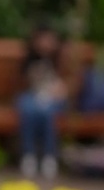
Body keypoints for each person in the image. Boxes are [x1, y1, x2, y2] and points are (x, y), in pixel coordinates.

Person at [15, 24, 68, 179]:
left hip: (54, 98)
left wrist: (61, 90)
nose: (46, 43)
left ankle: (49, 157)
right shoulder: (29, 58)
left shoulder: (61, 58)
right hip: (32, 96)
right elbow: (21, 84)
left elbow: (69, 83)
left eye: (49, 39)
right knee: (28, 109)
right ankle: (28, 155)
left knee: (47, 113)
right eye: (42, 39)